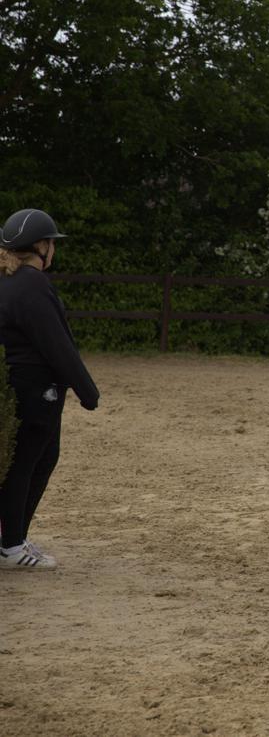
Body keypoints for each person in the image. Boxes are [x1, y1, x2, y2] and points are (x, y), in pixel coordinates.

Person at [0, 209, 100, 570]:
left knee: (34, 460)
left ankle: (11, 537)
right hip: (37, 389)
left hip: (15, 386)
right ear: (41, 246)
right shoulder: (33, 284)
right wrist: (87, 391)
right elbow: (57, 344)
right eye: (52, 244)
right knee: (29, 463)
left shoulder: (8, 280)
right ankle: (11, 545)